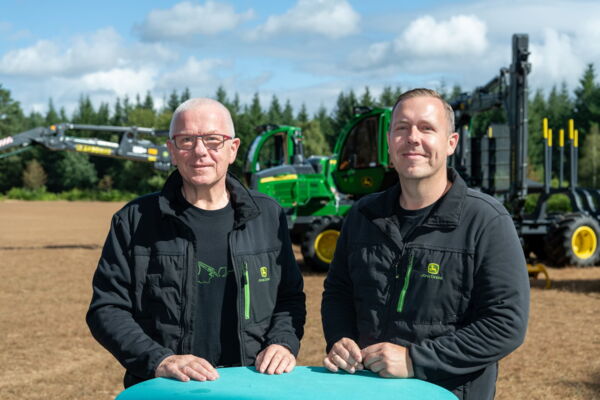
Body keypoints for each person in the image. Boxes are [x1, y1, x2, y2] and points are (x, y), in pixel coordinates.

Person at [321, 88, 529, 399]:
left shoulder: (485, 221)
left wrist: (413, 361)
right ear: (390, 142)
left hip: (449, 392)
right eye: (401, 128)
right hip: (366, 389)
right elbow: (338, 292)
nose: (412, 138)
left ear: (451, 143)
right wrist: (341, 338)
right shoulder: (362, 216)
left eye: (427, 128)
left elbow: (505, 323)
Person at [87, 98, 306, 388]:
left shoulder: (268, 216)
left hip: (251, 385)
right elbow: (108, 308)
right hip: (169, 389)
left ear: (233, 149)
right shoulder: (134, 220)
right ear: (171, 151)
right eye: (187, 140)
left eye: (213, 140)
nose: (200, 151)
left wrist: (282, 342)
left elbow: (289, 297)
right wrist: (160, 360)